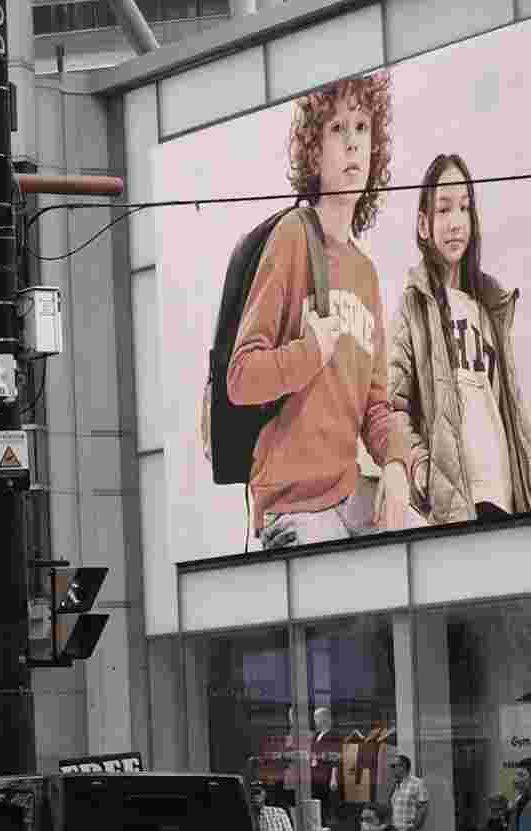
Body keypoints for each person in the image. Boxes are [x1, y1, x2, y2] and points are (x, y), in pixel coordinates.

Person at [226, 73, 421, 549]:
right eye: (337, 130)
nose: (353, 144)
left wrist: (395, 465)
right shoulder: (293, 237)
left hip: (348, 494)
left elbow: (376, 405)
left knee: (437, 559)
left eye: (362, 129)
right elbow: (241, 377)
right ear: (314, 150)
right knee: (352, 616)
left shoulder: (366, 272)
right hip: (293, 503)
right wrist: (309, 352)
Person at [385, 152, 531, 526]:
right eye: (444, 209)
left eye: (464, 208)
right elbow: (395, 408)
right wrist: (424, 473)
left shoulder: (490, 307)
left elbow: (510, 410)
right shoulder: (412, 307)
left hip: (507, 496)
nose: (455, 223)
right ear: (423, 224)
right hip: (456, 504)